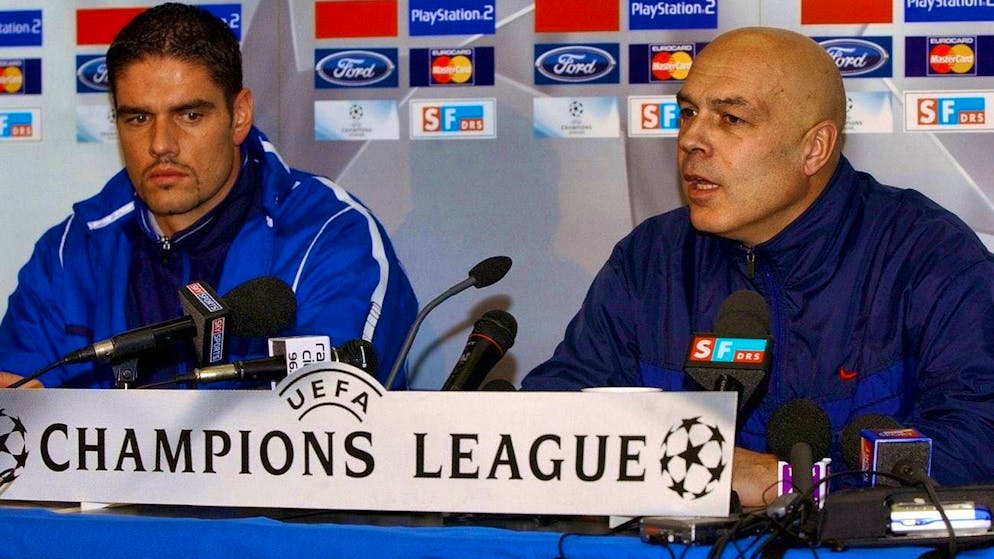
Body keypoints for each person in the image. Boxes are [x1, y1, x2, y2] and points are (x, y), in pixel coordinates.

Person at [522, 27, 994, 506]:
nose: (691, 139)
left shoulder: (926, 255)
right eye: (688, 113)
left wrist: (792, 484)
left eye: (730, 118)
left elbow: (979, 440)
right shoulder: (651, 259)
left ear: (814, 148)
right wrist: (696, 468)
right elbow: (554, 421)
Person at [0, 3, 417, 390]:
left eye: (190, 115)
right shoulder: (69, 253)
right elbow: (16, 413)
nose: (161, 144)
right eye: (139, 118)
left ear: (239, 115)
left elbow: (339, 417)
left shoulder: (330, 237)